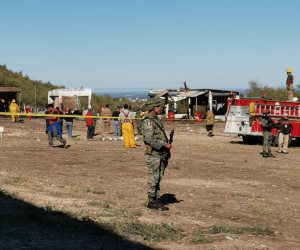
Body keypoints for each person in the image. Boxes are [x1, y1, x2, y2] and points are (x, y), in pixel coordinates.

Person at [142, 98, 172, 211]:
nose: (161, 108)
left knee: (158, 177)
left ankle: (156, 199)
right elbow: (149, 138)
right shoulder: (148, 121)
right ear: (154, 108)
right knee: (153, 178)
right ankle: (152, 201)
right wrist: (164, 144)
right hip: (154, 154)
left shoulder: (155, 119)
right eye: (159, 107)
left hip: (159, 154)